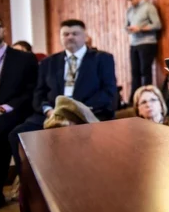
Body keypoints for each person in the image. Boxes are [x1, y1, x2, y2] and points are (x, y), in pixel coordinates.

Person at [8, 19, 117, 168]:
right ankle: (29, 186)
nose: (70, 37)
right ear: (60, 37)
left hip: (88, 113)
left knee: (75, 136)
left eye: (75, 33)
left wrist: (76, 111)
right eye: (65, 34)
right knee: (17, 135)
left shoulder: (102, 59)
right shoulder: (48, 63)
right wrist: (49, 111)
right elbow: (38, 94)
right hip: (52, 114)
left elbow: (108, 91)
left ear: (85, 36)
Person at [0, 15, 38, 212]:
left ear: (4, 30)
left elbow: (30, 91)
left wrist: (2, 109)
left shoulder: (23, 58)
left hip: (12, 110)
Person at [123, 0, 162, 99]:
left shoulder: (149, 7)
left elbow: (157, 24)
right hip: (134, 43)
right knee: (135, 72)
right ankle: (135, 98)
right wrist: (128, 29)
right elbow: (127, 25)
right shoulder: (129, 10)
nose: (130, 2)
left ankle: (148, 97)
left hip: (147, 43)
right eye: (128, 0)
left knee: (145, 71)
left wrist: (140, 28)